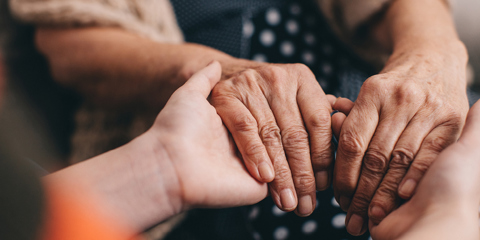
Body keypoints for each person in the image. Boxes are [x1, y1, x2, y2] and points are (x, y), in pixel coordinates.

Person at [6, 0, 471, 238]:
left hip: (405, 143)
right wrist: (224, 77)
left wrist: (435, 54)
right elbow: (72, 41)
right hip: (209, 179)